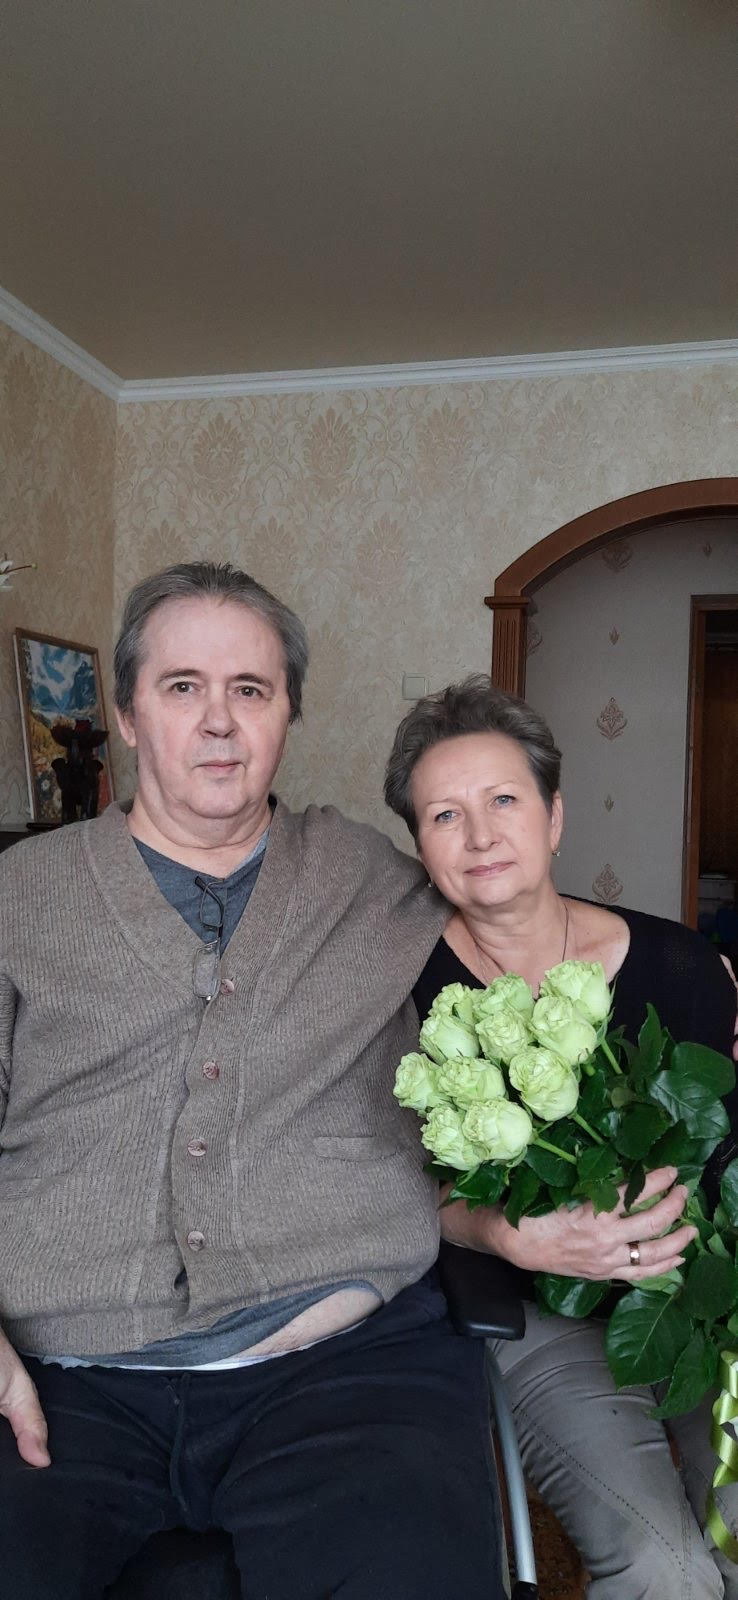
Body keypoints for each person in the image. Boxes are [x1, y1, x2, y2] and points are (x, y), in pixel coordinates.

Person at [0, 565, 503, 1600]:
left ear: (289, 716)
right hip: (59, 1377)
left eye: (252, 690)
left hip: (349, 1366)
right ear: (130, 715)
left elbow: (523, 913)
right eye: (183, 687)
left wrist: (692, 969)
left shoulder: (370, 877)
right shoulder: (19, 899)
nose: (218, 722)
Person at [385, 674, 738, 1600]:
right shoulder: (394, 993)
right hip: (528, 1305)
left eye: (505, 800)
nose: (481, 834)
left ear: (554, 816)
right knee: (668, 1571)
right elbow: (381, 1180)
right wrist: (502, 1232)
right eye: (444, 815)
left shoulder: (682, 967)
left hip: (694, 1290)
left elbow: (726, 1156)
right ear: (418, 847)